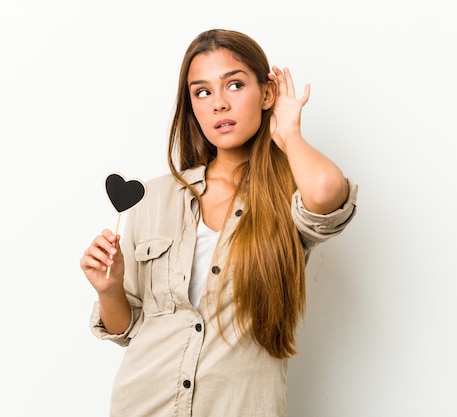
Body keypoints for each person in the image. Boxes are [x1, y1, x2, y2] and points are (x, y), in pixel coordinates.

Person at [79, 28, 358, 417]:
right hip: (144, 403)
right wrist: (108, 291)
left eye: (235, 85)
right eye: (203, 92)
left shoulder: (289, 196)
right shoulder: (153, 198)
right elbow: (127, 328)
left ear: (267, 94)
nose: (219, 104)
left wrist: (289, 132)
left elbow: (329, 191)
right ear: (191, 104)